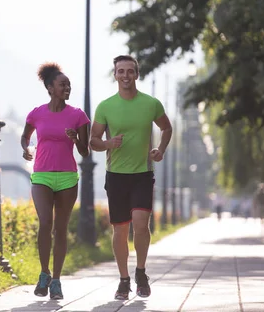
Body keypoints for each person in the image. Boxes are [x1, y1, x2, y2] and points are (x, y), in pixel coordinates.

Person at [90, 55, 172, 301]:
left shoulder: (151, 104)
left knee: (140, 225)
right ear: (115, 75)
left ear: (137, 74)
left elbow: (166, 127)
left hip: (142, 174)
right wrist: (107, 143)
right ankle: (124, 279)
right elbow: (93, 141)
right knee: (120, 230)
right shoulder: (105, 106)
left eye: (130, 71)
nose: (125, 75)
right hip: (116, 176)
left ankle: (141, 272)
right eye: (120, 71)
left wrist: (160, 150)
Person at [20, 62, 90, 300]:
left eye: (68, 84)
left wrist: (75, 139)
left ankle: (57, 281)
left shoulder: (78, 116)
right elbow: (25, 136)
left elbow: (85, 152)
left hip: (68, 177)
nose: (67, 87)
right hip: (42, 175)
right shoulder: (37, 113)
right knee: (45, 224)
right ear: (50, 88)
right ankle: (44, 273)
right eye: (62, 84)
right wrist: (26, 150)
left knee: (60, 229)